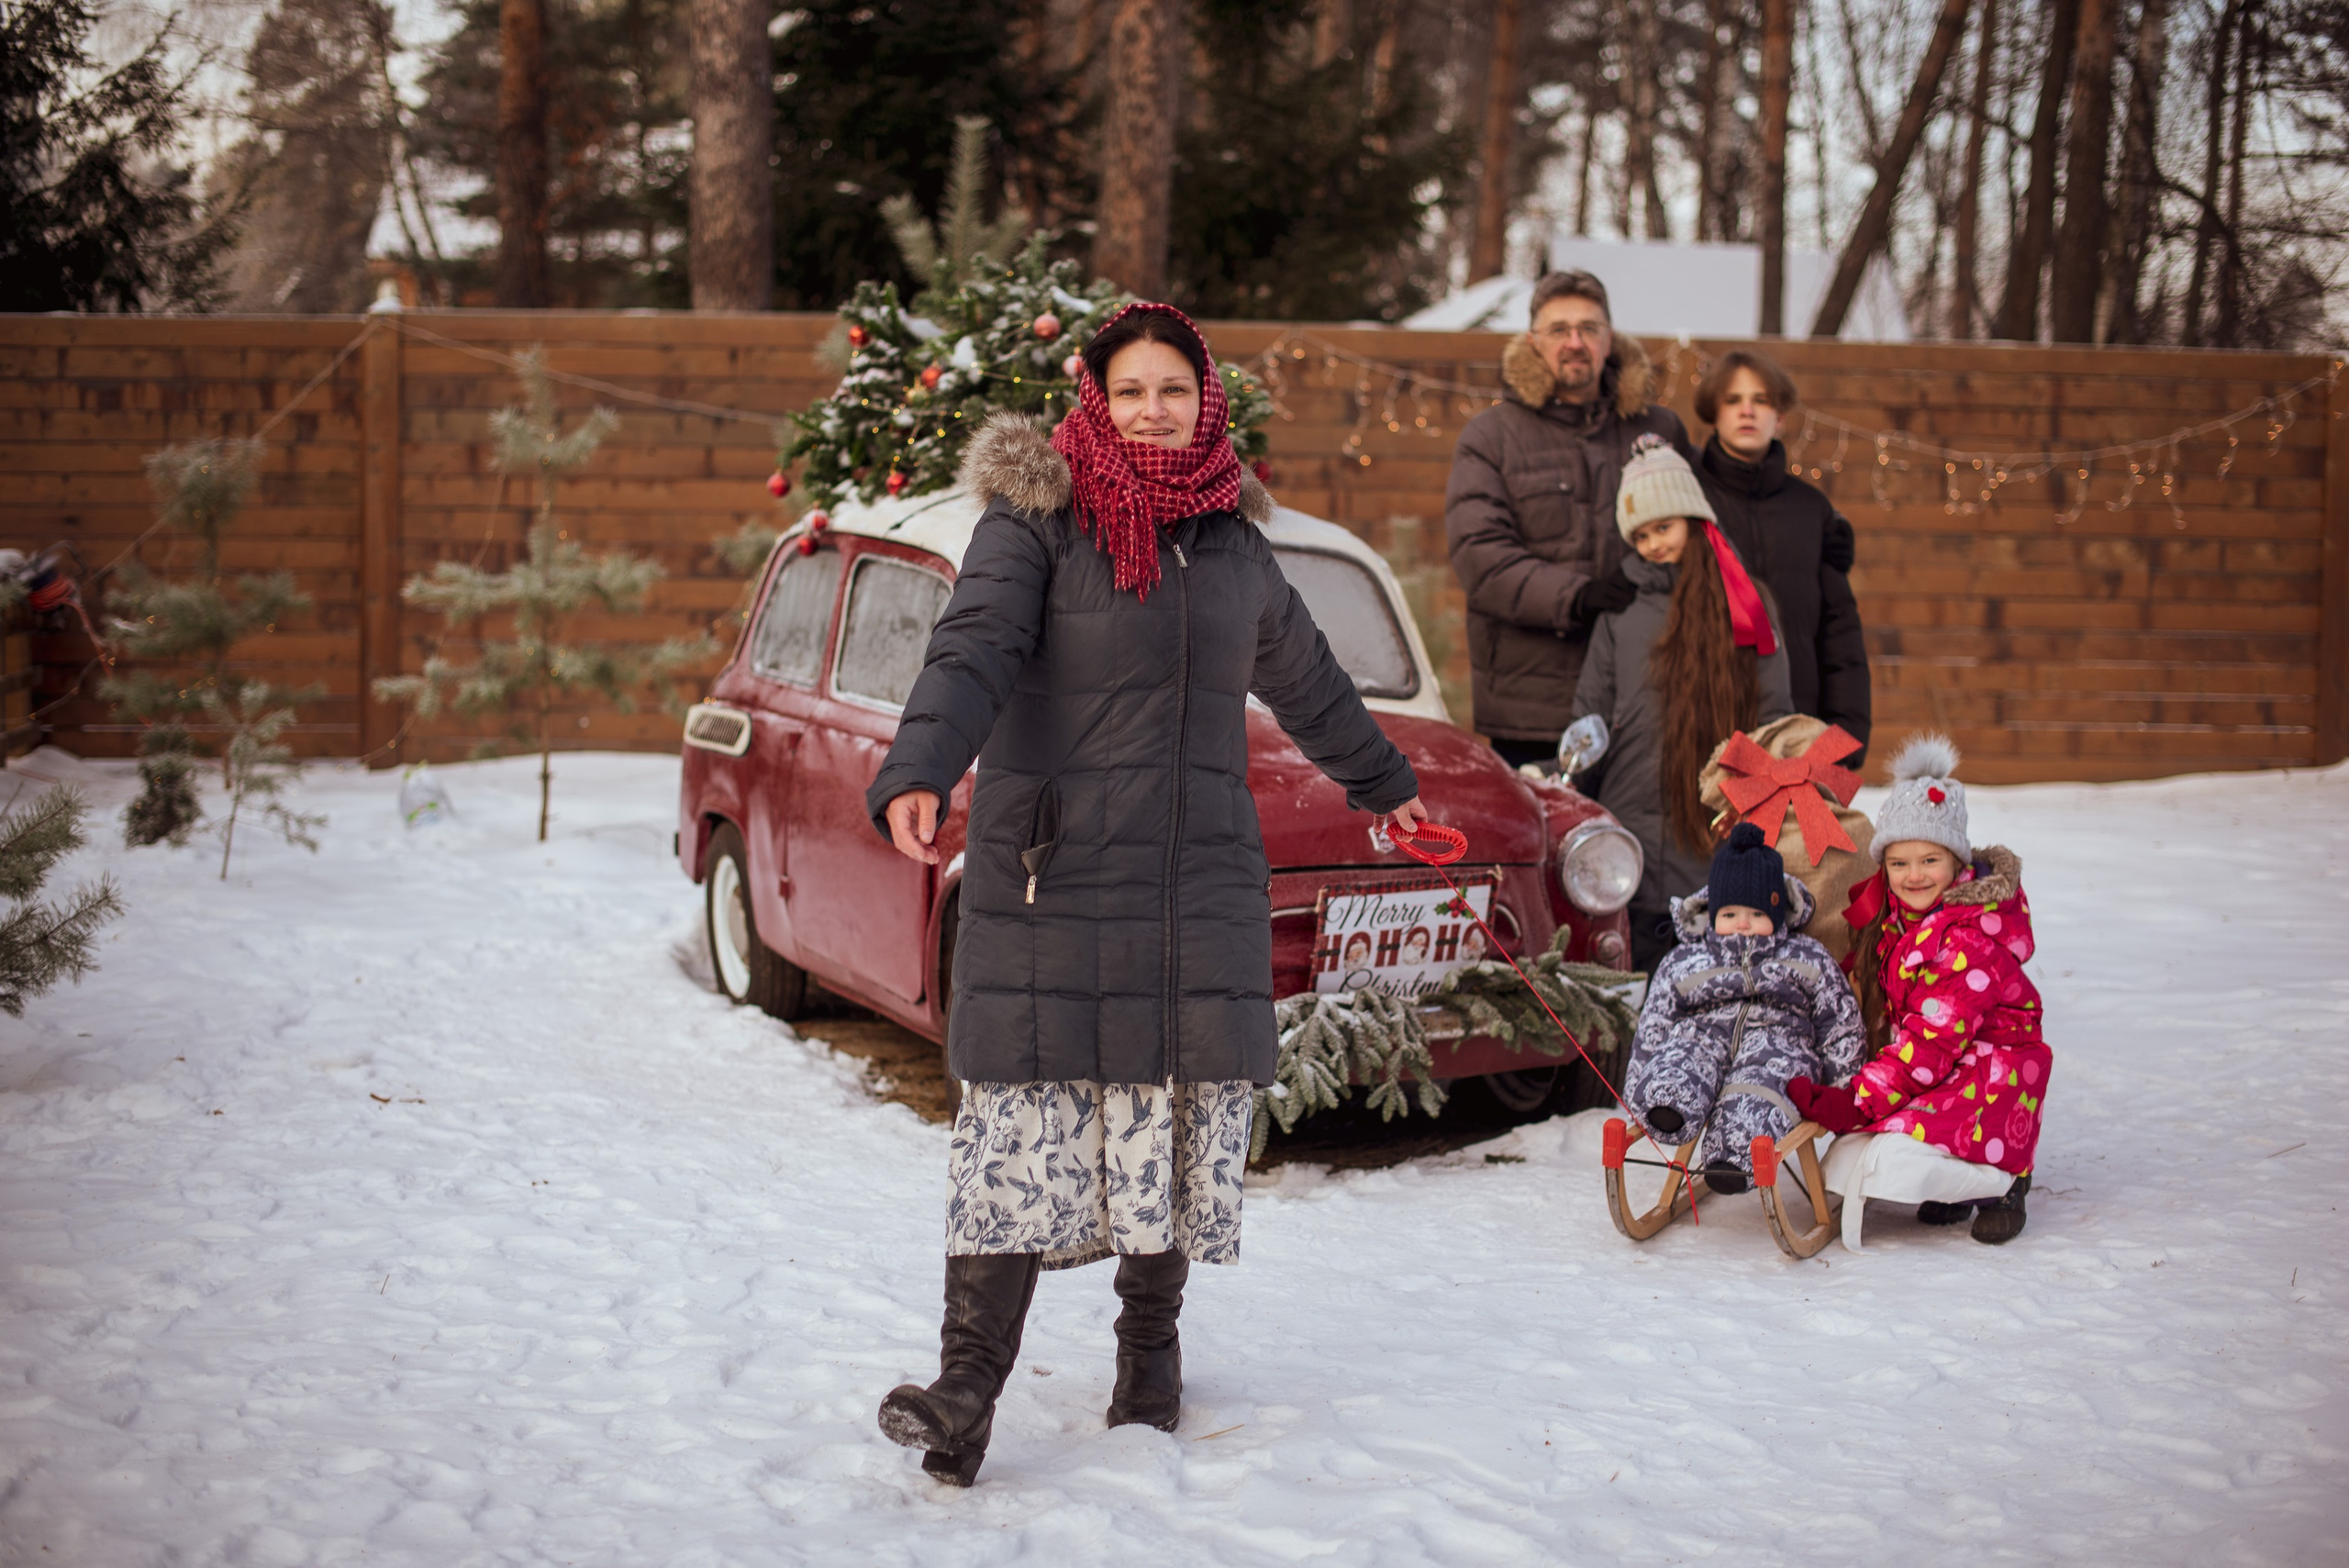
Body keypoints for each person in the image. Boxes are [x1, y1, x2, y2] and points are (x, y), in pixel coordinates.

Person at [864, 304, 1429, 1485]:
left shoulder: (1232, 543)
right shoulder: (1035, 523)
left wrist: (1389, 788)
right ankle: (964, 1389)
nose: (1154, 408)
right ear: (1096, 397)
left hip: (1192, 873)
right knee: (1015, 1128)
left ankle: (1150, 1351)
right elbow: (967, 650)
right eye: (1131, 389)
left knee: (1165, 1113)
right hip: (1053, 872)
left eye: (1175, 387)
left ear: (1204, 398)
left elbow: (1311, 682)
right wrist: (919, 763)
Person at [1789, 735, 2051, 1246]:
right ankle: (1953, 1173)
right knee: (1853, 1157)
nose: (1913, 876)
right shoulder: (1901, 922)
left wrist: (1857, 1102)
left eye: (1929, 861)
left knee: (1892, 1156)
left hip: (1992, 1073)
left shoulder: (1969, 941)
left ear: (1957, 864)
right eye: (1898, 863)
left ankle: (2005, 1181)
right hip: (1944, 1062)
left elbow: (1931, 1042)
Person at [1445, 270, 1695, 769]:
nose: (1574, 342)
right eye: (1559, 330)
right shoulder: (1491, 437)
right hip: (1534, 707)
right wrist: (1576, 596)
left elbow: (1707, 528)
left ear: (1610, 338)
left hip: (1647, 693)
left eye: (1589, 328)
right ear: (1534, 341)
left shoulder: (1660, 428)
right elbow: (1481, 557)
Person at [1570, 437, 1793, 971]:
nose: (1651, 545)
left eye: (1662, 527)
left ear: (1694, 520)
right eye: (1640, 535)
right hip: (1634, 815)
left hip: (1717, 820)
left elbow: (1775, 712)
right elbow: (1591, 710)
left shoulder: (1746, 600)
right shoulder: (1620, 610)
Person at [1624, 822, 1866, 1194]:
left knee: (1764, 1085)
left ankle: (1733, 1156)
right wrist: (1640, 1075)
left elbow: (1839, 1020)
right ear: (1712, 912)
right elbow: (1656, 1019)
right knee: (1683, 1053)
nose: (1743, 924)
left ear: (1778, 913)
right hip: (1704, 1036)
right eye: (1730, 914)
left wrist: (1841, 1087)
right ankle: (1668, 1102)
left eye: (1756, 915)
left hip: (1776, 1043)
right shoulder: (1685, 960)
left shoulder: (1805, 956)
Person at [1693, 351, 1872, 760]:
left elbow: (1839, 630)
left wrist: (1845, 736)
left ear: (1781, 417)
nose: (1747, 411)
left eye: (1761, 400)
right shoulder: (1689, 499)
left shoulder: (1812, 510)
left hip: (1796, 725)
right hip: (1704, 722)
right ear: (1713, 414)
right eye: (1733, 400)